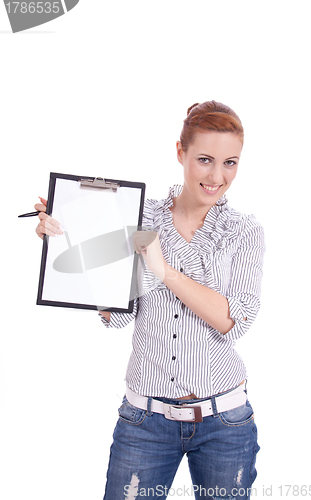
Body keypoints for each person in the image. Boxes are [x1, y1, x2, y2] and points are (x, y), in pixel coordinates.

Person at [35, 100, 265, 500]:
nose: (216, 176)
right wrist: (66, 239)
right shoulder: (139, 219)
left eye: (230, 162)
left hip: (225, 423)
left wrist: (164, 271)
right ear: (180, 152)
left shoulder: (243, 232)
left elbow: (235, 319)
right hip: (144, 422)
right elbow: (117, 314)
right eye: (205, 159)